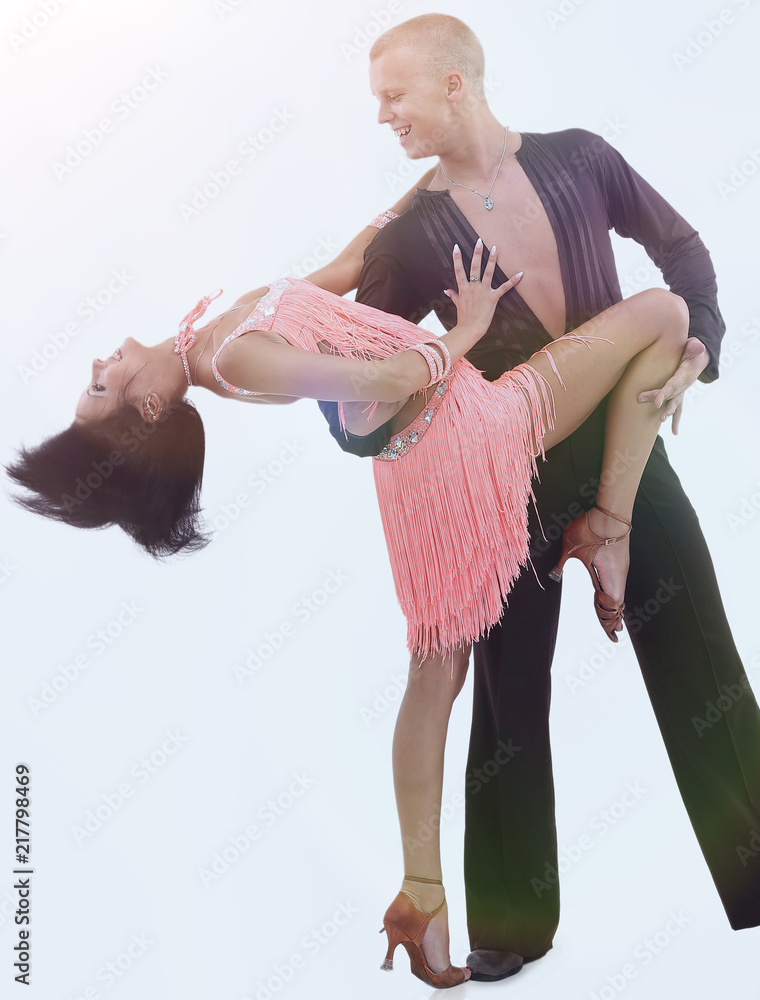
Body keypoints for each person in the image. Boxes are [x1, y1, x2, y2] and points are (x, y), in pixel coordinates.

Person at [314, 11, 760, 983]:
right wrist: (403, 411)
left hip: (628, 466)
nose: (382, 117)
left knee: (703, 671)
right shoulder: (409, 239)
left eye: (393, 95)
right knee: (506, 704)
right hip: (503, 491)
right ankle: (507, 922)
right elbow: (345, 376)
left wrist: (695, 340)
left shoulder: (582, 158)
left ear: (455, 84)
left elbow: (681, 246)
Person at [6, 207, 692, 985]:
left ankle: (421, 898)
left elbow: (336, 271)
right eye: (101, 386)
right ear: (151, 409)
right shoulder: (241, 359)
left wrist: (419, 192)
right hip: (469, 432)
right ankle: (609, 526)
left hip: (413, 473)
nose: (101, 360)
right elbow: (390, 379)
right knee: (666, 314)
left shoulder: (213, 335)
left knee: (434, 676)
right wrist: (468, 326)